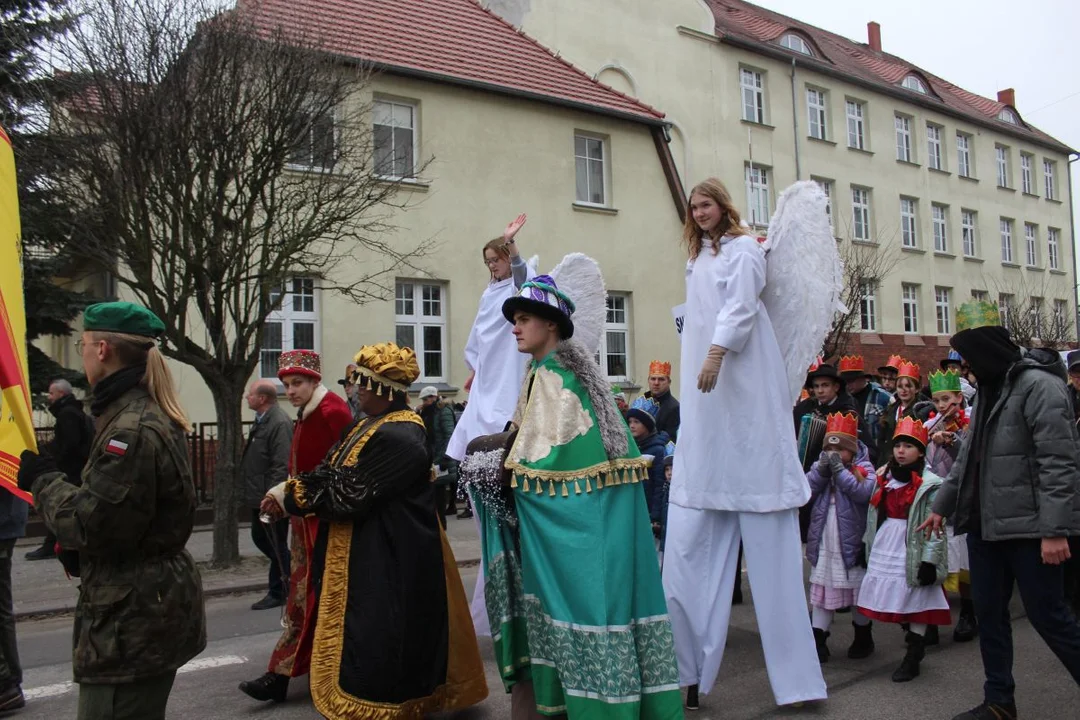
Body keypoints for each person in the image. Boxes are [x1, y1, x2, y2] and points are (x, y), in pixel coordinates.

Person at [463, 272, 682, 719]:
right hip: (571, 530)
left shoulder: (561, 380)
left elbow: (551, 468)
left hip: (587, 534)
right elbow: (524, 448)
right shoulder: (541, 373)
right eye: (515, 320)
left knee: (588, 609)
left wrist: (497, 468)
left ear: (552, 325)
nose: (516, 328)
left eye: (524, 319)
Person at [663, 178, 826, 710]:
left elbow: (741, 306)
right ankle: (683, 670)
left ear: (722, 205)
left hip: (744, 390)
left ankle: (799, 682)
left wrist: (715, 351)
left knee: (775, 561)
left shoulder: (746, 250)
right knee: (686, 555)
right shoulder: (698, 258)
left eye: (705, 203)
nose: (699, 212)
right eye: (693, 206)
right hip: (705, 419)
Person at [261, 343, 488, 718]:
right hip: (366, 548)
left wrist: (294, 496)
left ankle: (385, 705)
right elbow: (331, 468)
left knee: (382, 633)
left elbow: (350, 491)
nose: (356, 391)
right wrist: (287, 491)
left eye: (363, 384)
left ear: (385, 389)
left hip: (390, 555)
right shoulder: (367, 425)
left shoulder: (401, 435)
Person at [17, 301, 205, 720]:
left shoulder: (130, 429)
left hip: (131, 618)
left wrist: (43, 480)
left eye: (82, 344)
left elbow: (90, 525)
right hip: (137, 605)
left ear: (102, 349)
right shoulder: (127, 414)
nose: (81, 353)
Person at [921, 300, 1080, 720]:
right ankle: (999, 703)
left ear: (988, 350)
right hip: (985, 527)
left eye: (970, 359)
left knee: (1051, 619)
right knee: (990, 616)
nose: (967, 370)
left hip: (1031, 531)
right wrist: (942, 505)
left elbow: (1059, 465)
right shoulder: (992, 387)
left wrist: (1055, 530)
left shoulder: (1040, 388)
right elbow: (971, 454)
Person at [239, 350, 353, 704]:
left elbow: (341, 469)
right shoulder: (306, 412)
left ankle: (285, 673)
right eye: (287, 384)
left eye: (298, 383)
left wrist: (289, 494)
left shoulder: (332, 411)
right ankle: (300, 669)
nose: (291, 391)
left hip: (326, 523)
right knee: (304, 596)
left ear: (314, 382)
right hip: (306, 522)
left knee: (313, 597)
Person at [444, 214, 535, 632]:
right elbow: (478, 342)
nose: (492, 267)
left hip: (507, 385)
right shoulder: (487, 295)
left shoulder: (518, 290)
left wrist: (514, 248)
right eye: (489, 262)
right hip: (485, 388)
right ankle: (490, 605)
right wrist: (475, 370)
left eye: (495, 259)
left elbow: (525, 282)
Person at [857, 418, 949, 683]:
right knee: (898, 596)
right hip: (888, 542)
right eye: (898, 445)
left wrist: (930, 560)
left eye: (908, 446)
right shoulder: (884, 477)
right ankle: (911, 635)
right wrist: (867, 545)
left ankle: (914, 653)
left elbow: (935, 526)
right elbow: (874, 515)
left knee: (918, 598)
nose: (901, 451)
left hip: (915, 542)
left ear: (921, 451)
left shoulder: (931, 484)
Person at [805, 412, 876, 664]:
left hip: (851, 541)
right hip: (825, 537)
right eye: (829, 448)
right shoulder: (821, 466)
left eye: (839, 449)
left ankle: (863, 636)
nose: (834, 453)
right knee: (823, 592)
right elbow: (807, 489)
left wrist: (840, 471)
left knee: (857, 592)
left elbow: (862, 491)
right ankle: (818, 639)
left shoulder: (864, 468)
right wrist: (823, 470)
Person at [925, 369, 977, 643]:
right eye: (937, 400)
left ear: (959, 397)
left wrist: (952, 441)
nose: (942, 406)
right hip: (935, 498)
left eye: (946, 399)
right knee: (935, 563)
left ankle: (969, 613)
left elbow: (968, 461)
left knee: (964, 564)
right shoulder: (931, 424)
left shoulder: (968, 424)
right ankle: (932, 619)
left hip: (960, 500)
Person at [25, 379, 94, 561]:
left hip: (71, 469)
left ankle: (52, 546)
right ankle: (55, 545)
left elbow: (69, 443)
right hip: (76, 467)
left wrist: (53, 457)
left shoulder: (67, 414)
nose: (49, 397)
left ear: (61, 394)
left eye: (51, 393)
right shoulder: (72, 412)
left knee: (60, 505)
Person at [240, 380, 294, 611]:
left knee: (274, 542)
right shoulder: (263, 420)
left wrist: (274, 498)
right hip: (258, 494)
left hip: (270, 498)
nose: (246, 398)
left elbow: (281, 465)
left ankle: (280, 590)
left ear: (262, 398)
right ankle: (290, 579)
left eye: (249, 394)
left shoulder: (278, 422)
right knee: (264, 540)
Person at [0, 475, 29, 711]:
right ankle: (10, 682)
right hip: (8, 519)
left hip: (3, 517)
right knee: (2, 609)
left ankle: (4, 684)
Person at [626, 396, 670, 544]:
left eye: (637, 422)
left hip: (650, 511)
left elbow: (659, 485)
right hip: (634, 508)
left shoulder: (657, 450)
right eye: (630, 422)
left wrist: (655, 516)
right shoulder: (631, 449)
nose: (632, 425)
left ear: (648, 425)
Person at [839, 356, 891, 464]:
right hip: (849, 458)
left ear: (863, 378)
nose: (848, 385)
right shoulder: (841, 399)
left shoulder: (883, 397)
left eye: (851, 381)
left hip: (876, 457)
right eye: (845, 382)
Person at [418, 386, 460, 519]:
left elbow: (449, 436)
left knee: (439, 493)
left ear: (433, 397)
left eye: (426, 399)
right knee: (434, 492)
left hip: (442, 459)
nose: (424, 402)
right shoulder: (429, 412)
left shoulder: (443, 411)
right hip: (433, 457)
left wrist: (445, 458)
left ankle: (441, 526)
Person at [877, 360, 929, 465]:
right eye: (900, 386)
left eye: (908, 386)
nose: (904, 390)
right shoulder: (890, 409)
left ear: (917, 389)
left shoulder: (921, 411)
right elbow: (882, 439)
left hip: (910, 462)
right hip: (887, 460)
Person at [645, 361, 680, 441]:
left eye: (661, 379)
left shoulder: (674, 407)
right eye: (653, 379)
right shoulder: (643, 400)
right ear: (648, 380)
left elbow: (670, 440)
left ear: (669, 382)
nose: (656, 383)